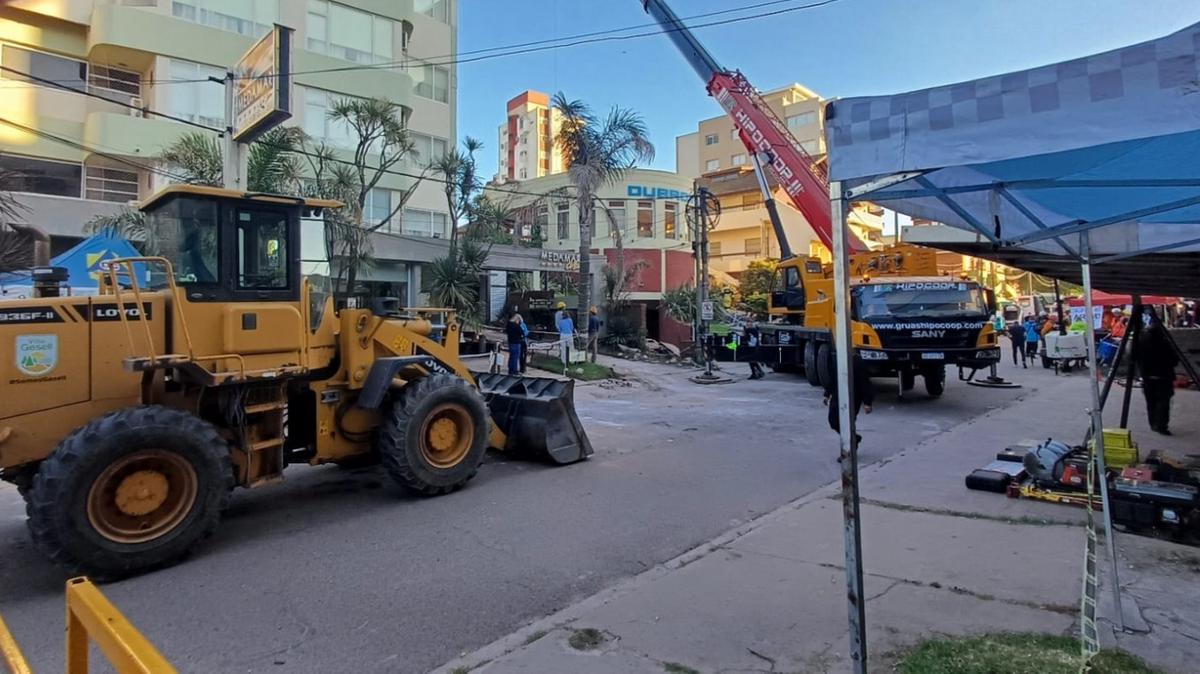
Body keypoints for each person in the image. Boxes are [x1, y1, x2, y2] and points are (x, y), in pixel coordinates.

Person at [822, 347, 875, 444]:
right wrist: (827, 394)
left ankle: (850, 447)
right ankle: (854, 438)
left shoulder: (857, 362)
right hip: (838, 395)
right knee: (833, 421)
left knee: (848, 422)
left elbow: (865, 383)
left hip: (853, 396)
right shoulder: (839, 360)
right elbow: (834, 378)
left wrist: (867, 402)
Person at [1136, 323, 1179, 435]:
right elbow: (1174, 360)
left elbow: (1134, 358)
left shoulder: (1142, 343)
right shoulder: (1165, 344)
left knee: (1151, 402)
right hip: (1164, 377)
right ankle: (1161, 425)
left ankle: (1153, 423)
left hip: (1148, 377)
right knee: (1163, 402)